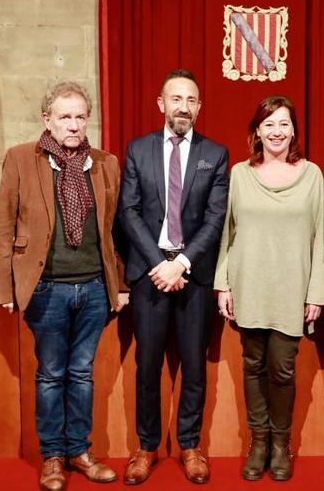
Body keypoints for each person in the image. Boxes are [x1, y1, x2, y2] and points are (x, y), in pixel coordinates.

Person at [0, 81, 127, 491]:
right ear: (47, 119)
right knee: (51, 374)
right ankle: (52, 456)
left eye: (80, 117)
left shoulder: (106, 163)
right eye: (64, 117)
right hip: (46, 289)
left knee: (82, 374)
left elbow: (114, 230)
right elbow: (1, 226)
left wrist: (118, 285)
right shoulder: (20, 159)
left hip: (94, 289)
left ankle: (79, 451)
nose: (73, 125)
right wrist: (4, 289)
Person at [117, 69, 229, 485]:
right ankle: (146, 447)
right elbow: (128, 211)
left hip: (192, 276)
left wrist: (181, 264)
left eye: (191, 100)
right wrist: (159, 263)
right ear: (160, 104)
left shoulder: (215, 153)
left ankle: (190, 445)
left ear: (199, 107)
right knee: (147, 367)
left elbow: (216, 218)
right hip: (150, 274)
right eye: (176, 99)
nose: (184, 106)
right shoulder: (138, 150)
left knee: (194, 368)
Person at [214, 96, 324, 481]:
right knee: (252, 365)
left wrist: (316, 291)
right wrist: (223, 284)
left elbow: (318, 238)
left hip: (291, 288)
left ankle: (281, 443)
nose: (277, 131)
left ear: (293, 130)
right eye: (269, 124)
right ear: (257, 131)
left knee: (282, 367)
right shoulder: (239, 174)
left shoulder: (312, 175)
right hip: (249, 285)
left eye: (283, 124)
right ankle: (258, 442)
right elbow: (228, 233)